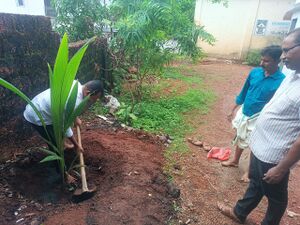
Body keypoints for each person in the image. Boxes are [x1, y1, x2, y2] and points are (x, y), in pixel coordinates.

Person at [217, 28, 300, 225]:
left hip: (275, 155)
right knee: (256, 183)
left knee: (276, 198)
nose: (283, 56)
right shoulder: (292, 75)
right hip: (261, 146)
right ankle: (239, 212)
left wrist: (282, 168)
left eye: (287, 51)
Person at [222, 45, 285, 182]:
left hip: (261, 117)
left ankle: (249, 172)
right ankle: (235, 160)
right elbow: (244, 92)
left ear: (277, 61)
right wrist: (232, 109)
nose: (261, 63)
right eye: (261, 60)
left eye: (266, 61)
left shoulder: (282, 81)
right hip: (246, 111)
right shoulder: (255, 73)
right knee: (240, 135)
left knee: (254, 144)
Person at [23, 80, 104, 181]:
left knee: (57, 135)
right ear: (87, 93)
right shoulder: (74, 102)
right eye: (93, 99)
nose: (92, 102)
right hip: (38, 115)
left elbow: (65, 108)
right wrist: (76, 145)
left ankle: (64, 145)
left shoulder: (75, 83)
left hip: (39, 104)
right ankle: (63, 175)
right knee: (55, 145)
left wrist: (75, 117)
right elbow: (63, 126)